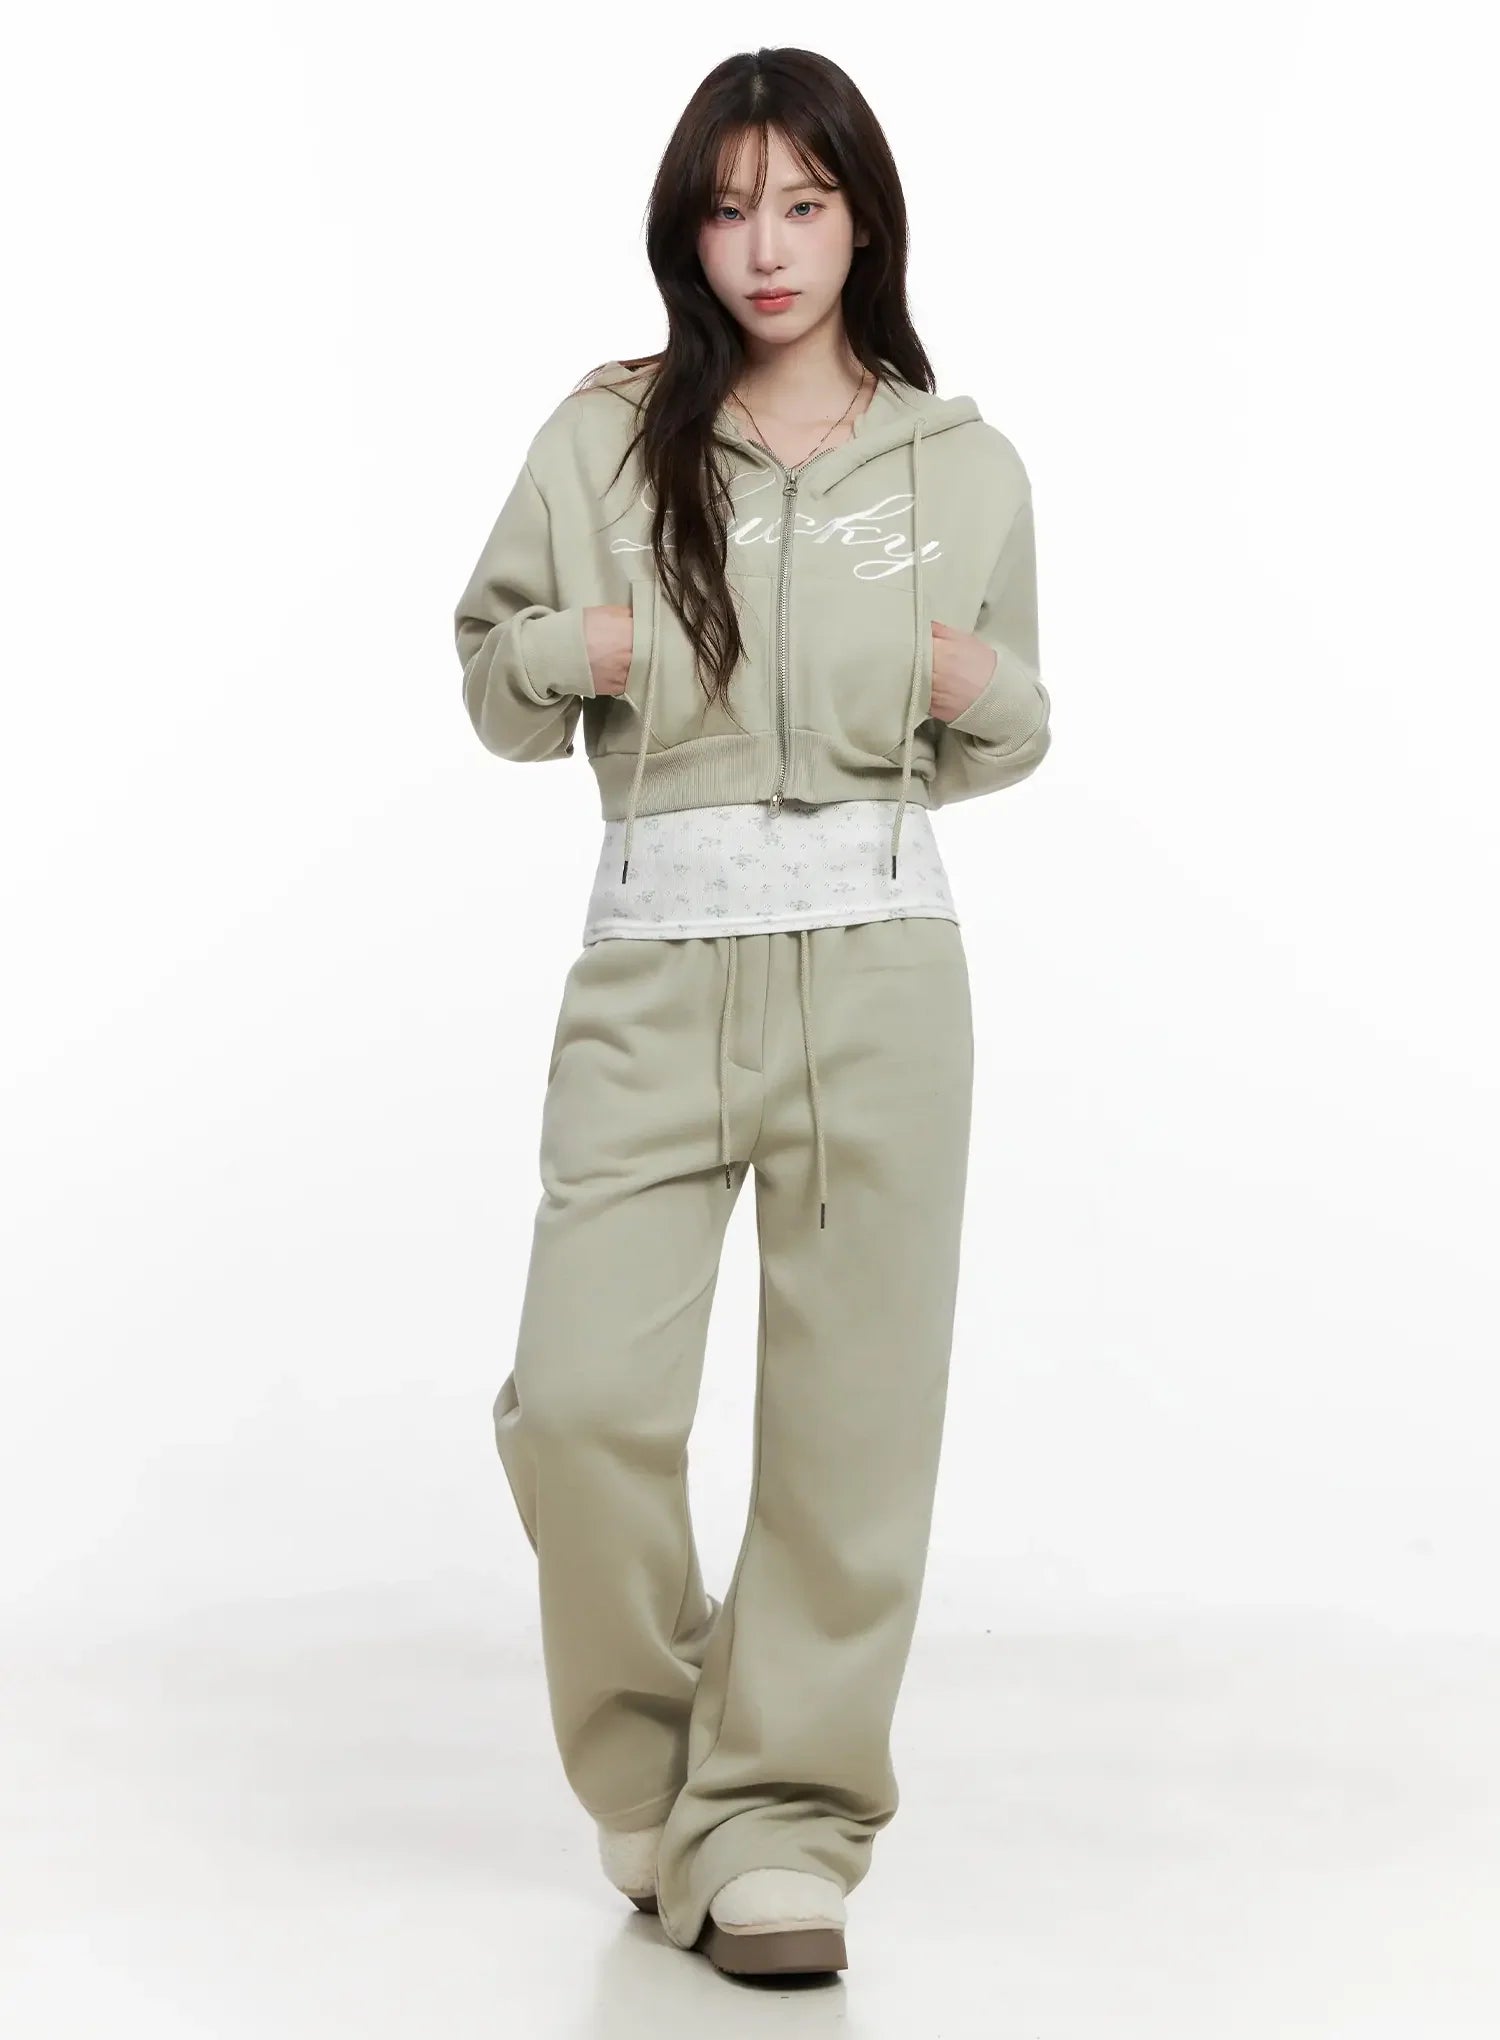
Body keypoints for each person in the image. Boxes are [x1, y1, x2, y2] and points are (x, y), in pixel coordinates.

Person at [451, 45, 1052, 1984]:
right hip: (655, 968)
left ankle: (784, 1823)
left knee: (852, 1437)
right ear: (686, 229)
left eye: (802, 204)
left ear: (864, 219)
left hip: (883, 972)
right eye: (727, 209)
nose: (765, 248)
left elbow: (1010, 729)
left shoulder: (961, 464)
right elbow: (493, 681)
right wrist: (580, 644)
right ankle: (657, 1770)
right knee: (583, 1408)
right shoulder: (605, 436)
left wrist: (978, 689)